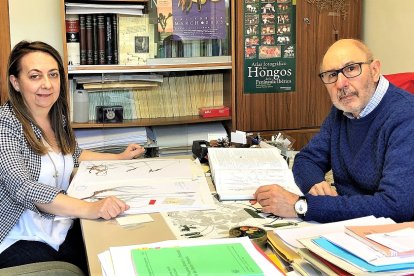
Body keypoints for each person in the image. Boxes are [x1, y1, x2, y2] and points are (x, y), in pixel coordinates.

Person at [0, 41, 145, 273]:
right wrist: (90, 209)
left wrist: (120, 158)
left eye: (53, 75)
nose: (47, 84)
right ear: (16, 82)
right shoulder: (6, 124)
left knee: (120, 248)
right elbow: (22, 187)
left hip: (60, 223)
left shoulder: (57, 117)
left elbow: (74, 155)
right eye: (35, 76)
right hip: (18, 235)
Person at [254, 38, 414, 223]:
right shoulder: (343, 110)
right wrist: (316, 185)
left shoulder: (406, 116)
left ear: (375, 70)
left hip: (394, 237)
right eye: (331, 75)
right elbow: (307, 159)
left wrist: (303, 206)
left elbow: (397, 206)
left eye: (351, 69)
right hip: (348, 226)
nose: (340, 84)